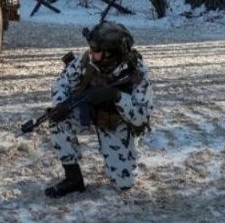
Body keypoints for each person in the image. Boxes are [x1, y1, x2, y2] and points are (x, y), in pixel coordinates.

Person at [44, 21, 154, 198]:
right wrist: (60, 104)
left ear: (112, 52)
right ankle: (73, 179)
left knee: (124, 184)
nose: (91, 54)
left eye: (97, 51)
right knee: (57, 119)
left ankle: (114, 161)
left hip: (117, 123)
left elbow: (141, 117)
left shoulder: (137, 73)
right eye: (91, 49)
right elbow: (62, 82)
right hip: (88, 112)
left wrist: (116, 96)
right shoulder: (87, 60)